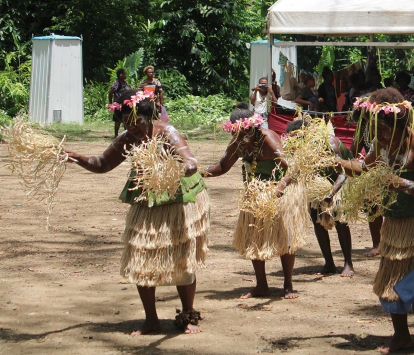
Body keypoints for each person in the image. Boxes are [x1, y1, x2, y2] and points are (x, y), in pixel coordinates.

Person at [66, 89, 209, 335]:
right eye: (126, 124)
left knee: (181, 257)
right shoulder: (127, 138)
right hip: (146, 199)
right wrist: (76, 157)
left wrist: (177, 169)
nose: (132, 128)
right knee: (141, 258)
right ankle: (151, 319)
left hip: (176, 200)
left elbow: (191, 163)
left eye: (136, 123)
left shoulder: (167, 132)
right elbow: (103, 163)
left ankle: (187, 316)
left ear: (150, 117)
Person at [337, 88, 414, 353]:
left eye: (382, 126)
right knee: (391, 274)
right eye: (374, 126)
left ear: (398, 122)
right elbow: (364, 169)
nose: (377, 132)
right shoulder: (381, 145)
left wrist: (399, 182)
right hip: (400, 218)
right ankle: (401, 335)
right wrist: (333, 162)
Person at [203, 106, 308, 299]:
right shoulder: (238, 142)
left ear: (253, 129)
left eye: (243, 134)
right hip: (255, 195)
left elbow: (293, 168)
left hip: (279, 192)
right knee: (254, 238)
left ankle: (288, 284)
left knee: (285, 239)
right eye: (236, 134)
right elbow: (222, 166)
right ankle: (261, 285)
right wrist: (198, 173)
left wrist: (281, 186)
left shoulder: (268, 139)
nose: (239, 140)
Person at [285, 120, 354, 277]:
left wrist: (331, 193)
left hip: (343, 180)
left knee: (339, 217)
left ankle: (348, 263)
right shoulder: (304, 148)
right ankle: (329, 262)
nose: (297, 143)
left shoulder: (330, 142)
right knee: (316, 218)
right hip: (320, 184)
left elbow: (343, 172)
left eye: (298, 139)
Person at [349, 96, 384, 258]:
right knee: (372, 204)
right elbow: (354, 150)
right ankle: (377, 244)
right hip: (372, 171)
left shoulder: (385, 124)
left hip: (391, 167)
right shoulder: (362, 127)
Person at [108, 68, 131, 137]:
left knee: (125, 119)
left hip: (125, 104)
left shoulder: (125, 83)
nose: (126, 75)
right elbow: (110, 92)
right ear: (120, 75)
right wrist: (111, 103)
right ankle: (116, 135)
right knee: (117, 120)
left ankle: (125, 135)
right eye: (124, 74)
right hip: (118, 105)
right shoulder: (116, 83)